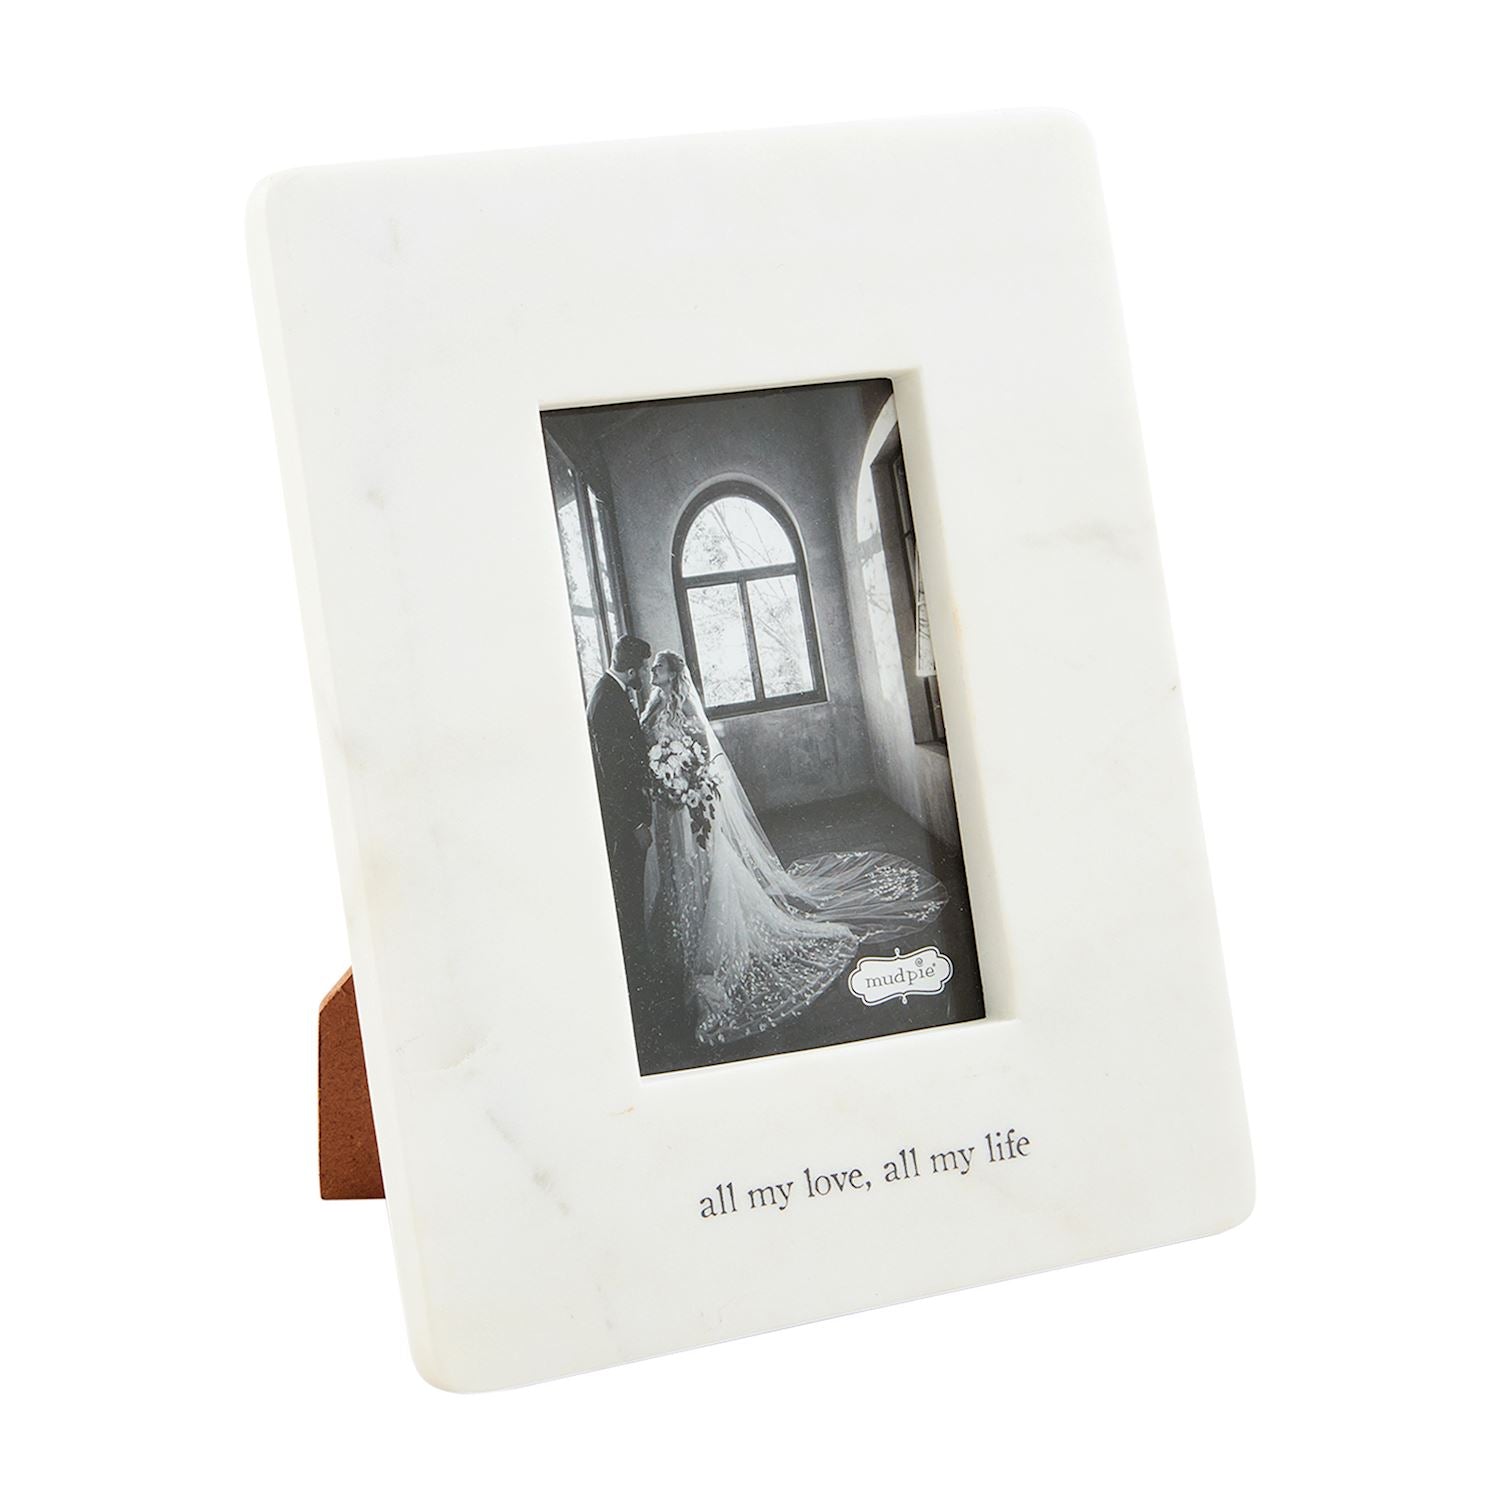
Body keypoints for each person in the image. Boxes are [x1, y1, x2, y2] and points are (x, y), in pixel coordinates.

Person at [639, 650, 947, 1045]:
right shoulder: (652, 706)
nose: (653, 672)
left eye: (659, 667)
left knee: (703, 863)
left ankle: (708, 932)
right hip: (667, 805)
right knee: (677, 866)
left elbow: (700, 753)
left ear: (673, 674)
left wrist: (685, 780)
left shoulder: (685, 709)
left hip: (687, 800)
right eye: (652, 668)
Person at [586, 636, 654, 985]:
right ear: (631, 671)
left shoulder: (610, 692)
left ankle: (636, 959)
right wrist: (637, 823)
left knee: (630, 890)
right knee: (627, 891)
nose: (645, 675)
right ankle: (636, 970)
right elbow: (613, 776)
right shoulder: (607, 701)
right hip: (622, 820)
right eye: (643, 669)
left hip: (625, 815)